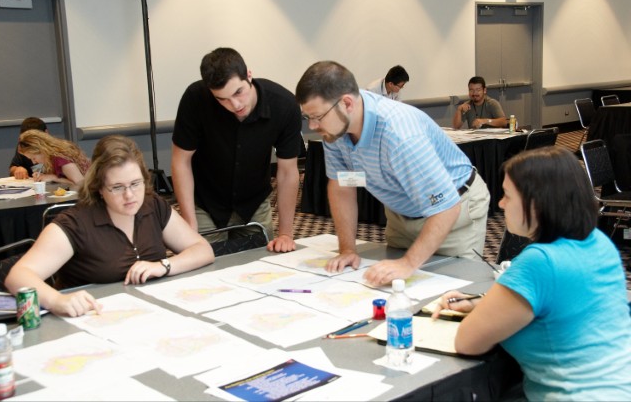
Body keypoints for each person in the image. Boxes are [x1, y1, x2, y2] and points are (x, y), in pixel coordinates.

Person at [432, 146, 631, 401]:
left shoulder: (539, 262)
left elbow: (467, 343)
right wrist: (480, 304)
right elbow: (560, 303)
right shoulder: (598, 242)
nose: (501, 204)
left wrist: (484, 311)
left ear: (536, 204)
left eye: (507, 195)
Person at [295, 61, 490, 286]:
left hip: (454, 212)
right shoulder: (335, 132)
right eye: (307, 117)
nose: (313, 126)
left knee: (453, 290)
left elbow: (447, 206)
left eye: (318, 117)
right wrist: (348, 249)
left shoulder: (399, 134)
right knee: (395, 290)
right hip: (403, 215)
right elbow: (342, 186)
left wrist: (408, 263)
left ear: (347, 103)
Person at [5, 135, 215, 317]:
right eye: (117, 187)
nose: (130, 195)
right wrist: (57, 300)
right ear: (99, 188)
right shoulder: (76, 223)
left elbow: (202, 249)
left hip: (147, 315)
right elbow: (18, 276)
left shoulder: (153, 206)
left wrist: (164, 266)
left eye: (136, 183)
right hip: (93, 319)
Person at [172, 47, 301, 253]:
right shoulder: (195, 98)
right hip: (206, 202)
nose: (234, 104)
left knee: (260, 260)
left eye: (238, 92)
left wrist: (286, 233)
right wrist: (190, 223)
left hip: (254, 203)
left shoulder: (284, 105)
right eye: (221, 99)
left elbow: (287, 172)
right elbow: (181, 162)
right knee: (203, 261)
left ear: (249, 75)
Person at [18, 129, 91, 187]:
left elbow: (81, 184)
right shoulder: (50, 158)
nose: (33, 162)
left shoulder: (61, 159)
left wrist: (54, 178)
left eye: (34, 158)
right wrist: (42, 175)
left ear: (42, 150)